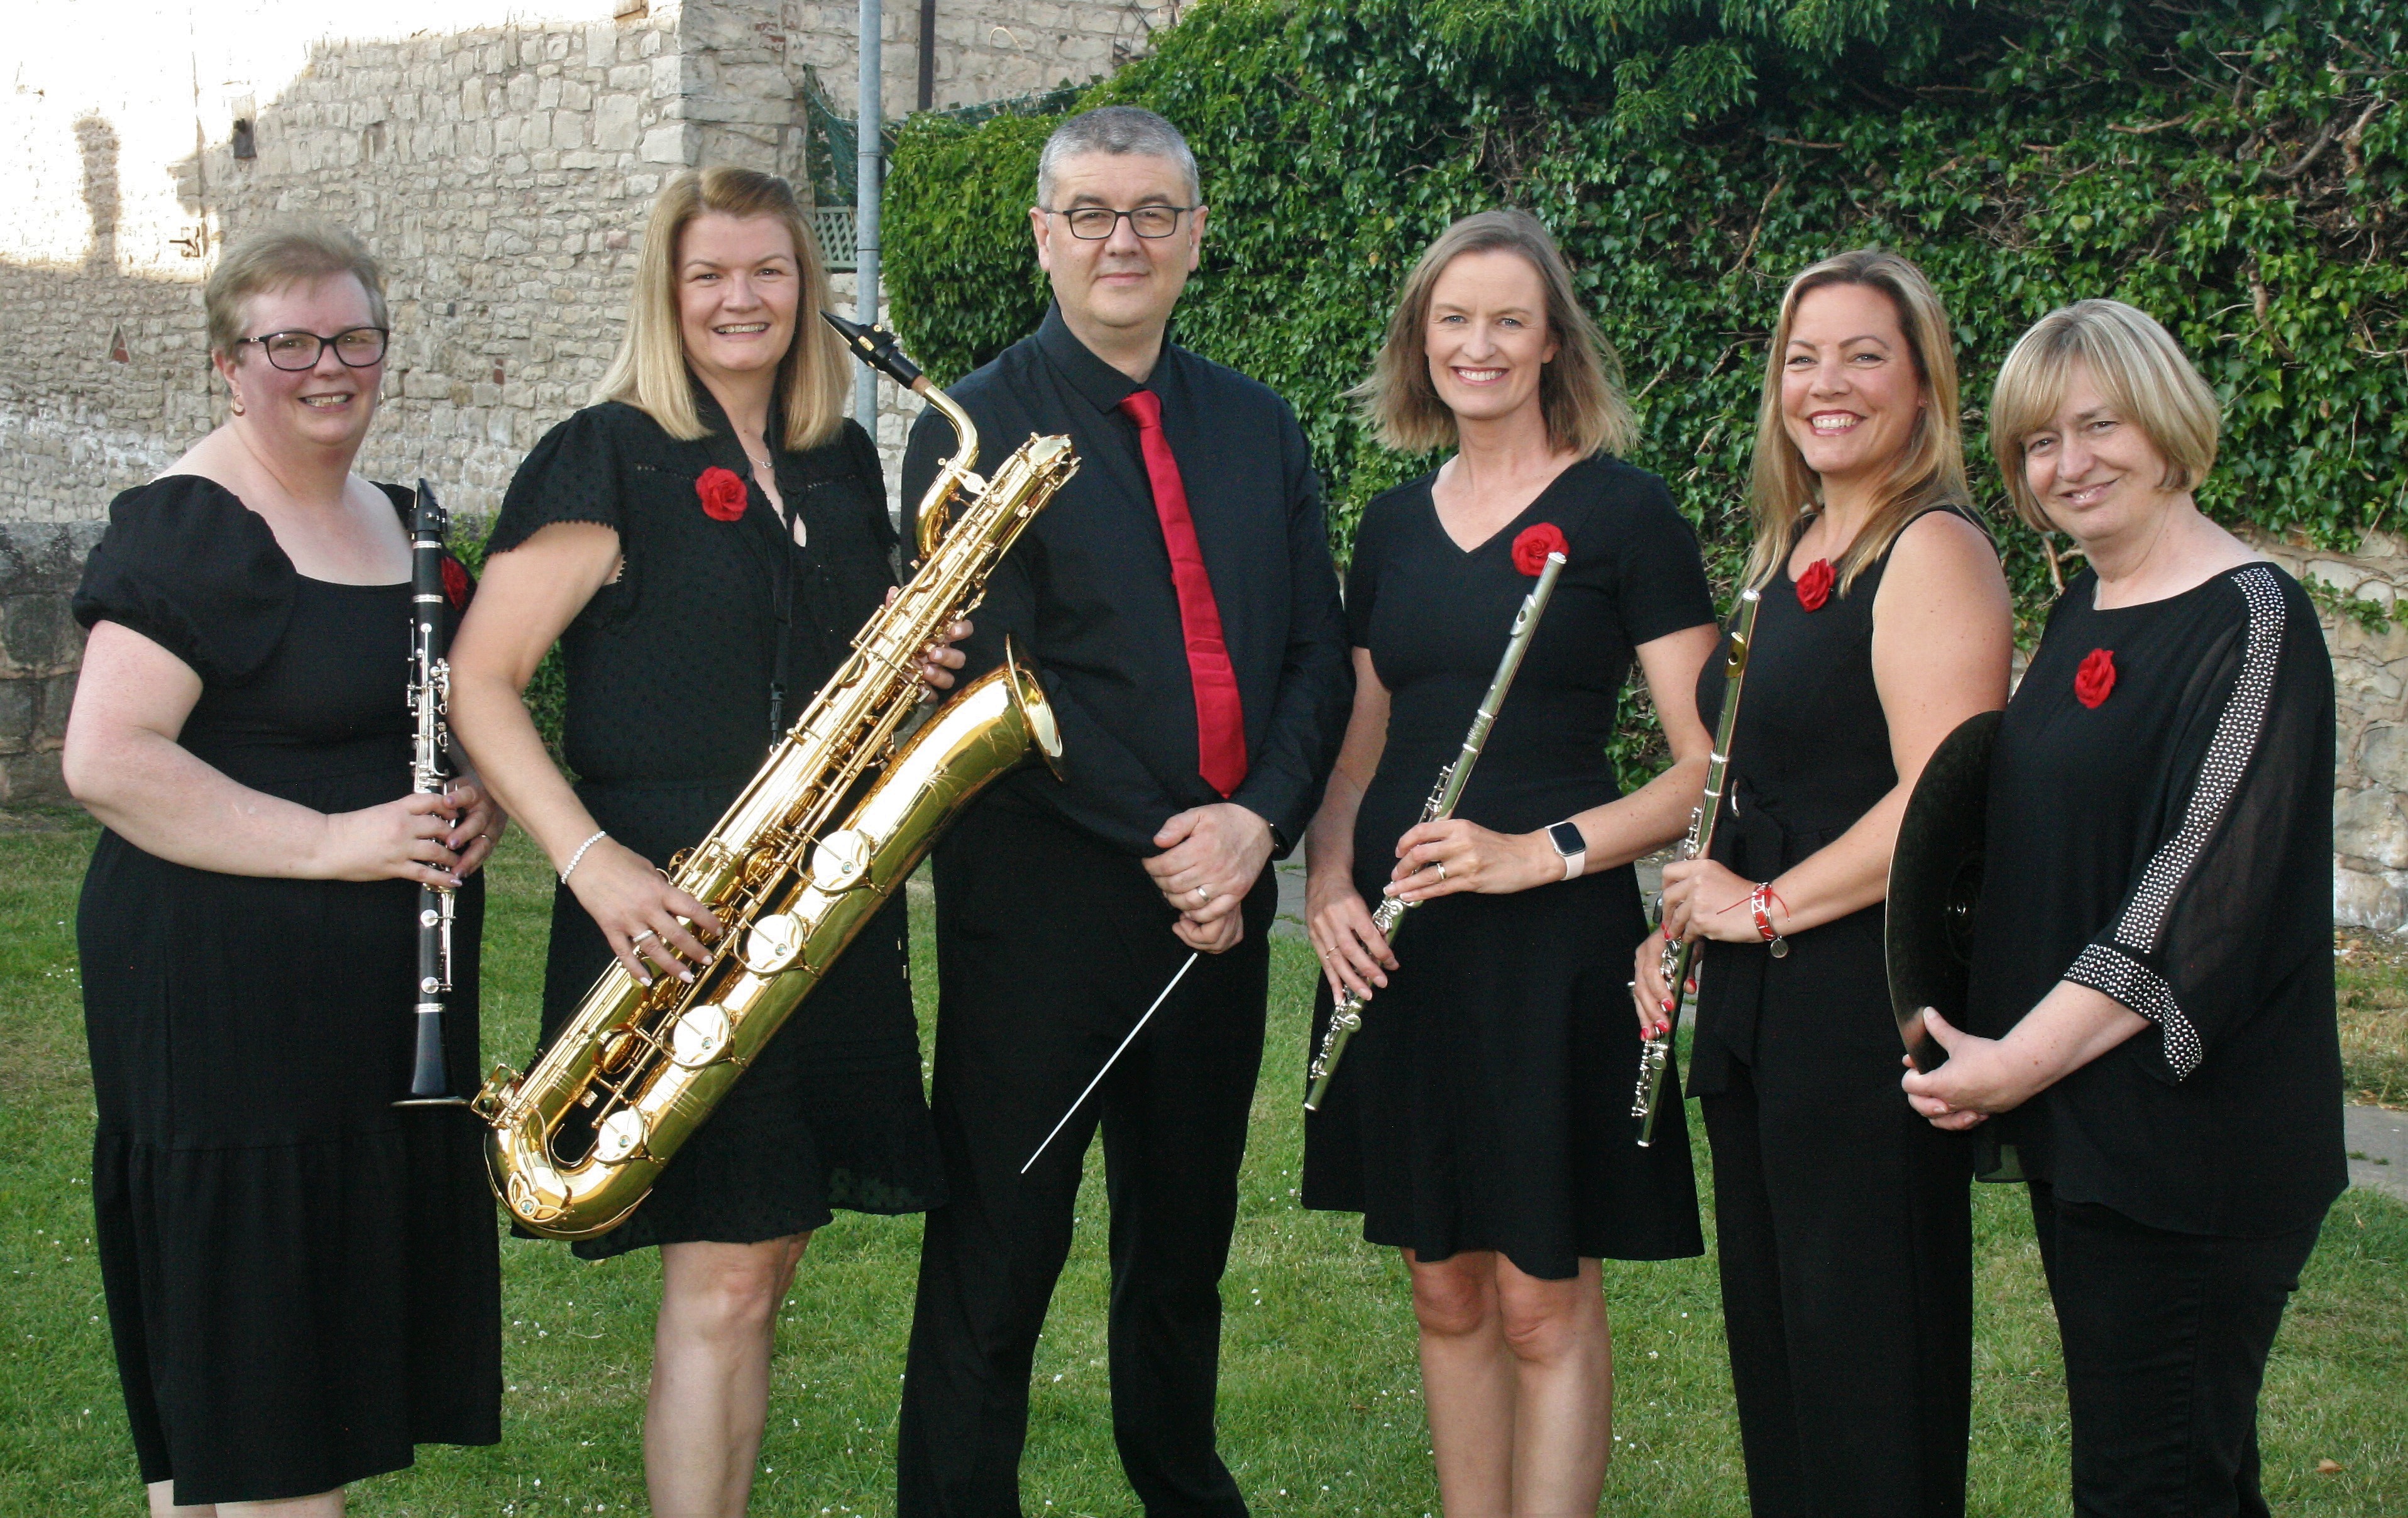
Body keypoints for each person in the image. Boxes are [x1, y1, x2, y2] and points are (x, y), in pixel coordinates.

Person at [446, 166, 959, 1518]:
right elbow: (481, 679)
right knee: (723, 1273)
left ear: (807, 288)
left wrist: (908, 665)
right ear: (665, 294)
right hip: (666, 907)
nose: (742, 298)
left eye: (769, 271)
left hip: (815, 901)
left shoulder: (836, 460)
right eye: (710, 274)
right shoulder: (603, 453)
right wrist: (590, 862)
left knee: (767, 1259)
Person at [892, 105, 1352, 1516]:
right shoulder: (972, 428)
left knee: (1181, 1252)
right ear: (1043, 236)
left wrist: (1256, 826)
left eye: (1154, 213)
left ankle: (1181, 1490)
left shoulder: (1260, 426)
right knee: (999, 1253)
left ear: (1196, 237)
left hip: (1221, 901)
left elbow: (1316, 656)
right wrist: (1182, 838)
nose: (1123, 241)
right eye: (1090, 213)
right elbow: (1002, 675)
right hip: (1043, 908)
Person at [63, 221, 504, 1517]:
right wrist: (333, 842)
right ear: (228, 362)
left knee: (274, 1367)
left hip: (365, 1015)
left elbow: (421, 715)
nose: (329, 368)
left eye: (354, 340)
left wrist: (475, 790)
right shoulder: (194, 525)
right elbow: (107, 759)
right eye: (291, 344)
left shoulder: (403, 522)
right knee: (262, 1372)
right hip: (224, 999)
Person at [1297, 208, 1717, 1517]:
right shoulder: (1388, 524)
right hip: (1401, 944)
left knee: (1541, 1290)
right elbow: (1356, 754)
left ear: (1551, 344)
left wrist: (1541, 854)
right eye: (1453, 319)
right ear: (1419, 341)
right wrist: (1327, 886)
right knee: (1441, 1282)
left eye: (1508, 321)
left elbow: (1708, 765)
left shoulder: (1625, 513)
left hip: (1550, 944)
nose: (1477, 345)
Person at [1903, 299, 2346, 1518]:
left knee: (2148, 1483)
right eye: (2038, 441)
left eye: (2098, 425)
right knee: (2180, 1475)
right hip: (2091, 1121)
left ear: (2163, 423)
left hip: (2199, 1146)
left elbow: (2195, 889)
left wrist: (2012, 1063)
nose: (2069, 463)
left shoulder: (2254, 620)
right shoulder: (2078, 611)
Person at [1632, 248, 2013, 1518]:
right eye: (1802, 358)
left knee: (1867, 1382)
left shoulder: (1931, 547)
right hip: (1763, 1018)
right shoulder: (1795, 539)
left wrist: (1759, 907)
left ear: (1923, 384)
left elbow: (1938, 794)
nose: (1825, 383)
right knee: (1786, 1377)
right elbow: (1754, 776)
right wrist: (1681, 920)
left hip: (1859, 1014)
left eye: (1862, 355)